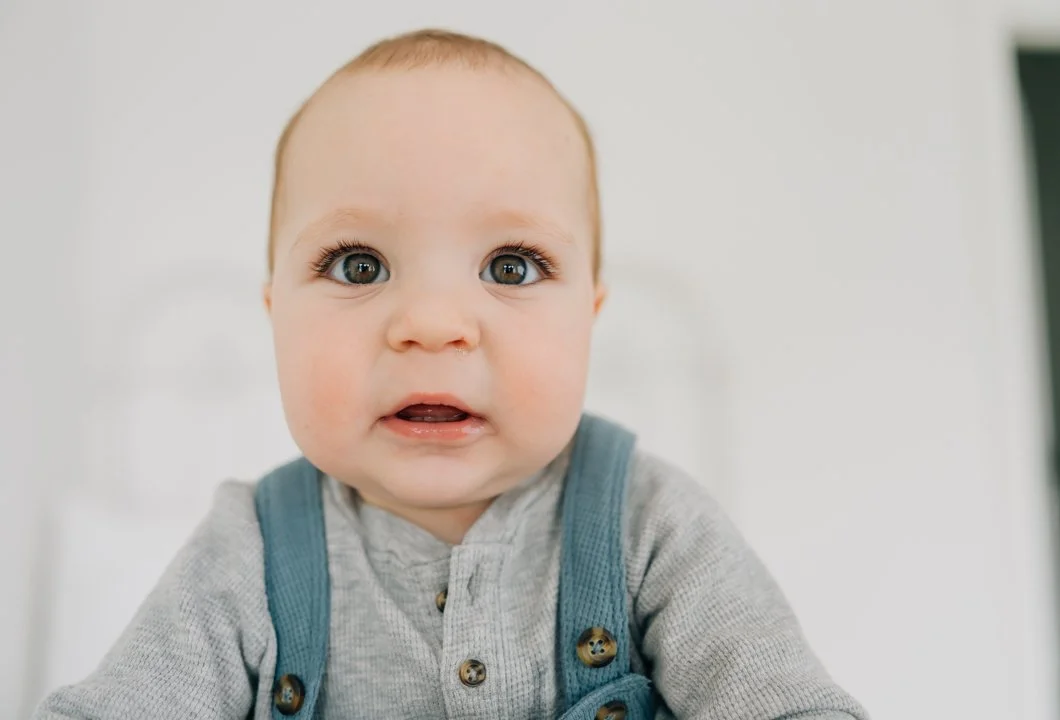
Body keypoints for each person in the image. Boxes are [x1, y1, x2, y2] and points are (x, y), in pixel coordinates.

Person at [34, 28, 868, 720]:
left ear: (589, 317)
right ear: (273, 314)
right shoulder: (248, 553)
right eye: (359, 266)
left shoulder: (649, 527)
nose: (433, 324)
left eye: (510, 267)